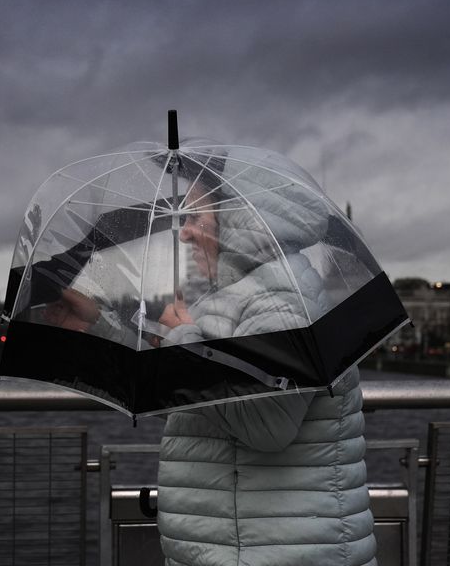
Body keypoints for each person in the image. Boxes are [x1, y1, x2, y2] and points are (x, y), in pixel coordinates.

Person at [45, 167, 378, 566]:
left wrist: (183, 339)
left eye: (195, 218)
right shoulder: (235, 294)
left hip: (275, 549)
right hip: (247, 543)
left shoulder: (281, 300)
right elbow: (196, 393)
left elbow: (267, 422)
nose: (183, 232)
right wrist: (98, 325)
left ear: (238, 224)